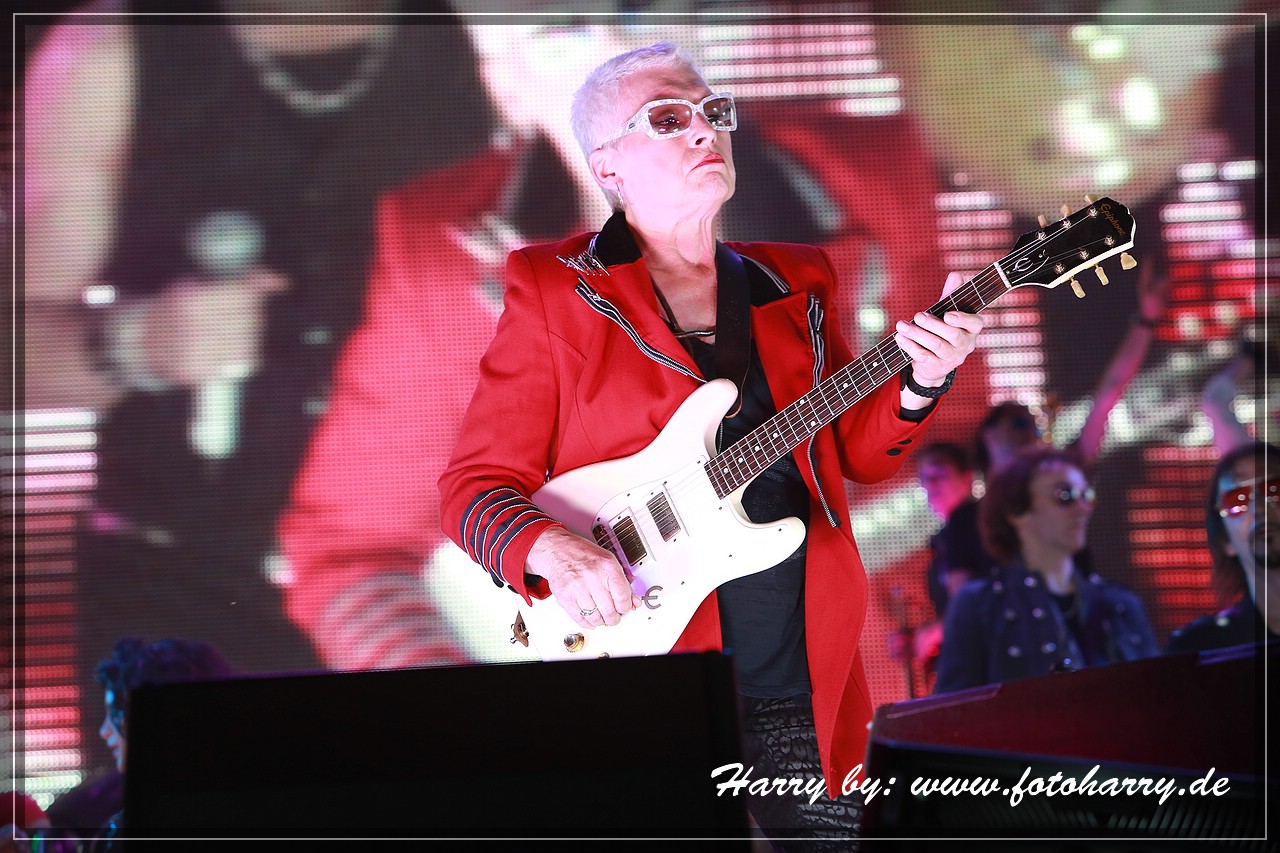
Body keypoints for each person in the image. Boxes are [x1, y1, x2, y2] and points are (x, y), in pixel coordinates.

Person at [434, 42, 984, 844]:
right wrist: (554, 549)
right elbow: (473, 488)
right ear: (608, 166)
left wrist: (921, 382)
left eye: (713, 111)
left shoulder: (796, 279)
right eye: (668, 118)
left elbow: (850, 457)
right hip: (654, 681)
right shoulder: (556, 289)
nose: (704, 130)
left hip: (797, 669)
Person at [22, 1, 497, 752]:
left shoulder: (500, 35)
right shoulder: (114, 48)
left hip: (435, 589)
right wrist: (137, 342)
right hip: (184, 586)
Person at [933, 446, 1160, 693]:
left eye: (1087, 495)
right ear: (1017, 511)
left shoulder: (1121, 603)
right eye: (1065, 495)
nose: (1083, 507)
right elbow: (955, 709)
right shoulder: (978, 605)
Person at [973, 262, 1170, 477]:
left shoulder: (1066, 469)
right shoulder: (973, 504)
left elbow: (1110, 393)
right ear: (989, 436)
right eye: (1019, 423)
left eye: (1033, 425)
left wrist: (1146, 319)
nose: (1030, 432)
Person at [1165, 441, 1279, 654]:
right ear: (1226, 541)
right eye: (1237, 500)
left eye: (1274, 489)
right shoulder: (1199, 649)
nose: (1258, 508)